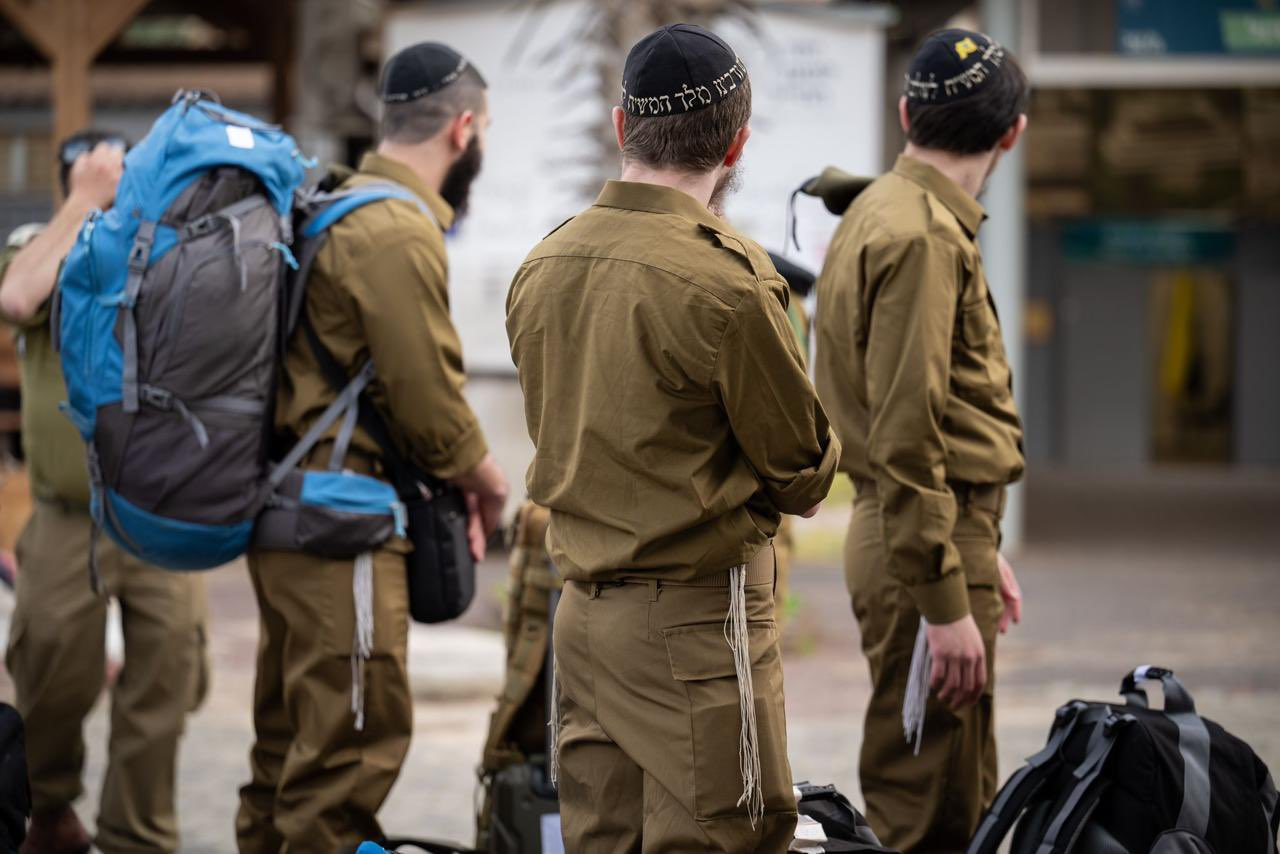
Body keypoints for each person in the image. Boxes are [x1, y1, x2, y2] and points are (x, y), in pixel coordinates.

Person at [506, 24, 840, 852]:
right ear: (737, 144)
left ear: (623, 126)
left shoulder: (543, 266)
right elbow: (803, 477)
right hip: (697, 623)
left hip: (582, 611)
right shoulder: (730, 280)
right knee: (729, 838)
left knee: (600, 840)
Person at [235, 42, 509, 852]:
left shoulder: (333, 204)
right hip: (342, 528)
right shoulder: (393, 229)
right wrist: (489, 483)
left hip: (289, 515)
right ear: (462, 129)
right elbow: (428, 403)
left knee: (285, 754)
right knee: (345, 761)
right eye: (485, 131)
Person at [812, 28, 1028, 853]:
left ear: (906, 115)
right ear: (1012, 133)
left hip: (929, 529)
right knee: (929, 815)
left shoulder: (881, 210)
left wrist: (975, 544)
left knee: (956, 796)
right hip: (917, 543)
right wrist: (944, 589)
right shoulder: (923, 236)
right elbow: (906, 435)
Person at [0, 131, 209, 854]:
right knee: (50, 673)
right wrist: (83, 204)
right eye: (95, 171)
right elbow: (16, 296)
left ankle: (137, 838)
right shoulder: (40, 246)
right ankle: (50, 811)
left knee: (165, 685)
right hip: (70, 513)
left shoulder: (174, 246)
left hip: (164, 509)